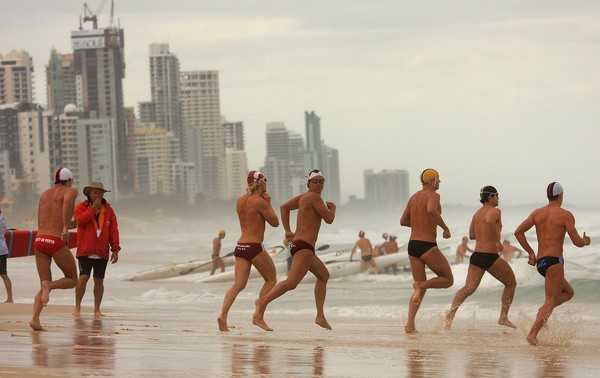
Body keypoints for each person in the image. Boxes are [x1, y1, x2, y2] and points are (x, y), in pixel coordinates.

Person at [253, 169, 336, 331]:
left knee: (323, 275)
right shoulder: (313, 197)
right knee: (291, 283)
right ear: (309, 183)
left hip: (301, 245)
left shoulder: (303, 197)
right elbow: (329, 219)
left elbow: (284, 207)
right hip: (304, 246)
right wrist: (332, 208)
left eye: (321, 181)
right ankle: (261, 303)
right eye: (315, 181)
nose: (318, 184)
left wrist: (288, 231)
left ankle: (320, 316)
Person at [514, 182, 591, 346]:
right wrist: (585, 241)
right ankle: (533, 333)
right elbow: (577, 242)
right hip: (555, 262)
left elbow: (518, 232)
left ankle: (543, 311)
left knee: (568, 293)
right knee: (550, 300)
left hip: (541, 263)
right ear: (561, 195)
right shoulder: (565, 215)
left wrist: (530, 252)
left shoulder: (537, 213)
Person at [445, 186, 517, 330]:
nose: (498, 198)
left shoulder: (476, 214)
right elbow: (490, 221)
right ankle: (503, 317)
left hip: (477, 256)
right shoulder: (495, 211)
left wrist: (484, 235)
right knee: (511, 283)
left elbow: (472, 235)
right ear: (490, 196)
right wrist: (496, 241)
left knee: (468, 288)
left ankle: (450, 316)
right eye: (496, 195)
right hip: (489, 256)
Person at [217, 171, 279, 331]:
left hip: (240, 247)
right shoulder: (260, 202)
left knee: (238, 284)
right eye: (265, 180)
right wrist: (269, 203)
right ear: (260, 182)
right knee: (271, 279)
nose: (267, 183)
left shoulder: (240, 201)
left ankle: (222, 315)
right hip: (254, 246)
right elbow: (275, 222)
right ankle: (258, 315)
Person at [400, 168, 454, 333]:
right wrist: (444, 227)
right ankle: (421, 285)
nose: (440, 182)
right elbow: (431, 210)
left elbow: (403, 221)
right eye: (438, 178)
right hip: (427, 245)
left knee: (419, 290)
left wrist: (419, 223)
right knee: (447, 280)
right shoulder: (434, 195)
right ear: (432, 181)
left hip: (413, 246)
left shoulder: (413, 197)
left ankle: (410, 324)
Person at [30, 167, 79, 331]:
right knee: (73, 280)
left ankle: (35, 320)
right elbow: (66, 203)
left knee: (43, 283)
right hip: (55, 241)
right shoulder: (71, 191)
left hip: (39, 240)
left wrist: (66, 225)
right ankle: (49, 286)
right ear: (69, 180)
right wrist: (65, 227)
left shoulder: (45, 194)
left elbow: (42, 220)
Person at [72, 181, 121, 317]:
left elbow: (114, 231)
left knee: (99, 280)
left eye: (100, 193)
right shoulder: (81, 207)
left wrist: (115, 249)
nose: (98, 195)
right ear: (89, 194)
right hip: (85, 249)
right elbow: (80, 221)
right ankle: (77, 307)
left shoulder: (109, 210)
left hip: (102, 250)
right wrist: (93, 208)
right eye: (95, 193)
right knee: (83, 277)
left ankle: (97, 309)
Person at [0, 207, 14, 303]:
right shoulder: (2, 217)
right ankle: (10, 298)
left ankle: (10, 298)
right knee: (4, 274)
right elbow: (5, 230)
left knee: (4, 274)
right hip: (3, 249)